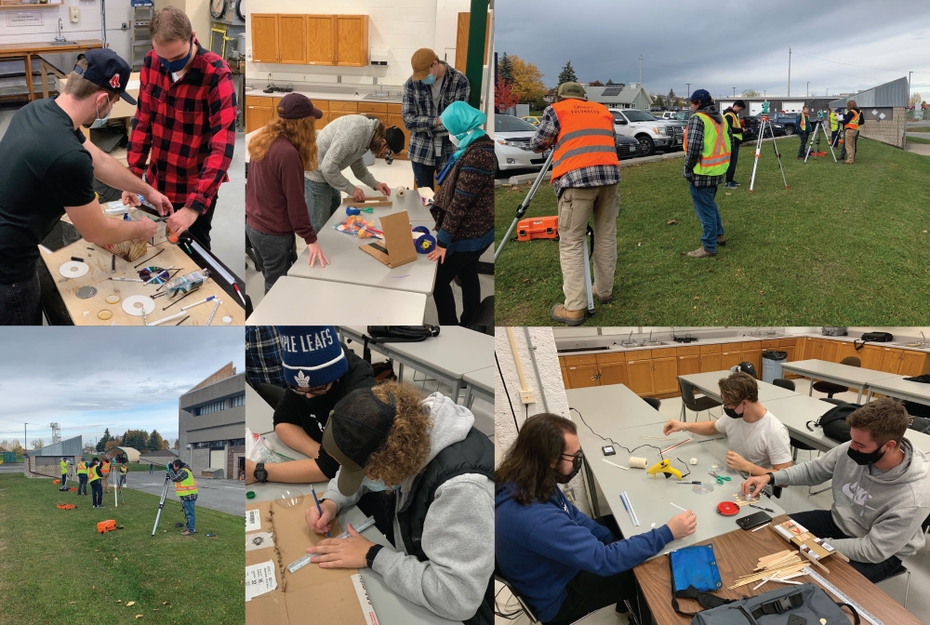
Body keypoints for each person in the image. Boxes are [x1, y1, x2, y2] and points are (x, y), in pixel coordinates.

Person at [0, 49, 166, 325]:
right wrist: (143, 229)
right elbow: (96, 232)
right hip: (10, 270)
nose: (111, 109)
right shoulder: (67, 157)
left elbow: (98, 159)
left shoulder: (39, 110)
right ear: (102, 100)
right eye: (113, 102)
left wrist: (147, 190)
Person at [306, 382, 495, 625]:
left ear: (389, 463)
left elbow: (456, 598)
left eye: (366, 473)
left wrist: (372, 555)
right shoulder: (405, 432)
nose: (364, 479)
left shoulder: (463, 492)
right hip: (415, 558)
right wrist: (331, 502)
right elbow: (355, 467)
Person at [496, 414, 697, 625]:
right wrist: (668, 532)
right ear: (551, 460)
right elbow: (604, 560)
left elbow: (573, 515)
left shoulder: (529, 477)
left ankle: (625, 603)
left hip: (553, 567)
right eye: (573, 456)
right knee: (646, 572)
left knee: (619, 526)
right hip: (559, 596)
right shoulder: (536, 519)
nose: (578, 460)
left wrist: (612, 538)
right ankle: (640, 616)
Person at [741, 398, 930, 582]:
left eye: (860, 445)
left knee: (813, 582)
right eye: (852, 439)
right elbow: (813, 471)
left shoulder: (914, 496)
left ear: (888, 446)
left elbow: (873, 550)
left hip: (880, 551)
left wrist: (817, 544)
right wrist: (771, 476)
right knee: (774, 532)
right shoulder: (855, 445)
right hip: (839, 522)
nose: (851, 447)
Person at [122, 6, 237, 249]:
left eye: (178, 58)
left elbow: (222, 147)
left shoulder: (216, 74)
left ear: (193, 36)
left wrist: (194, 207)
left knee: (193, 246)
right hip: (157, 180)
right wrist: (132, 178)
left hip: (195, 185)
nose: (170, 65)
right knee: (159, 246)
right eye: (164, 58)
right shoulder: (152, 63)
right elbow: (143, 121)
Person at [530, 82, 621, 325]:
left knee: (570, 243)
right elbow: (611, 139)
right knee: (605, 236)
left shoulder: (556, 111)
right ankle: (604, 290)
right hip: (609, 178)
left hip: (576, 180)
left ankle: (574, 308)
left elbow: (537, 143)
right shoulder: (603, 111)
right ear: (584, 97)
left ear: (559, 97)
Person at [244, 326, 375, 485]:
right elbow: (282, 422)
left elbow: (331, 468)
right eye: (299, 390)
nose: (308, 396)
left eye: (317, 389)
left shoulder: (360, 397)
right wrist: (319, 452)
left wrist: (260, 471)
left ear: (336, 376)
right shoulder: (303, 381)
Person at [245, 93, 329, 293]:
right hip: (273, 234)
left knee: (271, 279)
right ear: (302, 124)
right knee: (278, 291)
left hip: (254, 226)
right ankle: (271, 323)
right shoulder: (288, 154)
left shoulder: (265, 139)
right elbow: (296, 204)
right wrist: (311, 239)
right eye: (310, 122)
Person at [427, 101, 494, 326]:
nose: (449, 134)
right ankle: (471, 323)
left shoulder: (478, 155)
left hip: (471, 234)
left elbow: (459, 204)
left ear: (459, 125)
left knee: (438, 283)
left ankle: (452, 329)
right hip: (478, 230)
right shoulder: (476, 145)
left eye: (449, 129)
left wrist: (442, 241)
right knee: (468, 272)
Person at [663, 372, 793, 476]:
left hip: (758, 487)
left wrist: (747, 466)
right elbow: (713, 427)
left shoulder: (774, 431)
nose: (725, 407)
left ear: (745, 403)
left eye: (728, 404)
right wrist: (683, 426)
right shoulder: (735, 416)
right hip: (732, 476)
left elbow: (784, 478)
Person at [304, 113, 405, 231]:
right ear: (383, 142)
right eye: (385, 152)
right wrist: (352, 189)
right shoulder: (354, 134)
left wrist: (375, 183)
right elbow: (327, 168)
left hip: (330, 173)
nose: (382, 155)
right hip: (317, 174)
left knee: (333, 219)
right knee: (320, 227)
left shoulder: (369, 134)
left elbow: (357, 164)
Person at [402, 48, 470, 190]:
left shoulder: (459, 81)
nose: (422, 79)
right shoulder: (412, 83)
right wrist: (437, 120)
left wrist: (424, 125)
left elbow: (457, 123)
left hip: (450, 152)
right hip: (420, 151)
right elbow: (408, 121)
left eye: (425, 74)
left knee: (448, 198)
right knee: (423, 199)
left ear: (435, 64)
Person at [682, 89, 730, 258]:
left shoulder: (698, 119)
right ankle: (719, 235)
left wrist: (687, 168)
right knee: (709, 204)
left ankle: (708, 246)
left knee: (704, 210)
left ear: (699, 103)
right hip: (718, 170)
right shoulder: (722, 118)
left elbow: (694, 148)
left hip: (702, 172)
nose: (690, 106)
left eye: (692, 103)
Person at [169, 458, 198, 536]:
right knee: (187, 512)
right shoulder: (182, 470)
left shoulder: (184, 471)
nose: (173, 468)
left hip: (190, 495)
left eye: (174, 466)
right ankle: (189, 527)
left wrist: (170, 470)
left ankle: (191, 530)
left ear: (178, 466)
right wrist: (172, 469)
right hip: (186, 495)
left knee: (190, 513)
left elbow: (175, 478)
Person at [723, 100, 745, 189]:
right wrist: (741, 130)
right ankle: (728, 182)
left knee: (734, 162)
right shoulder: (729, 115)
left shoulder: (734, 115)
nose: (740, 111)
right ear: (735, 106)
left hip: (735, 141)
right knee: (731, 162)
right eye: (740, 109)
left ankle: (731, 180)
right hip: (731, 141)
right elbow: (729, 129)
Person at [840, 99, 863, 164]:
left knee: (848, 146)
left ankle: (850, 159)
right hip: (855, 130)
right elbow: (849, 118)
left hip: (850, 130)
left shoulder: (851, 112)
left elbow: (846, 121)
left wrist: (839, 120)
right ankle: (852, 158)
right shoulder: (856, 112)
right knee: (852, 145)